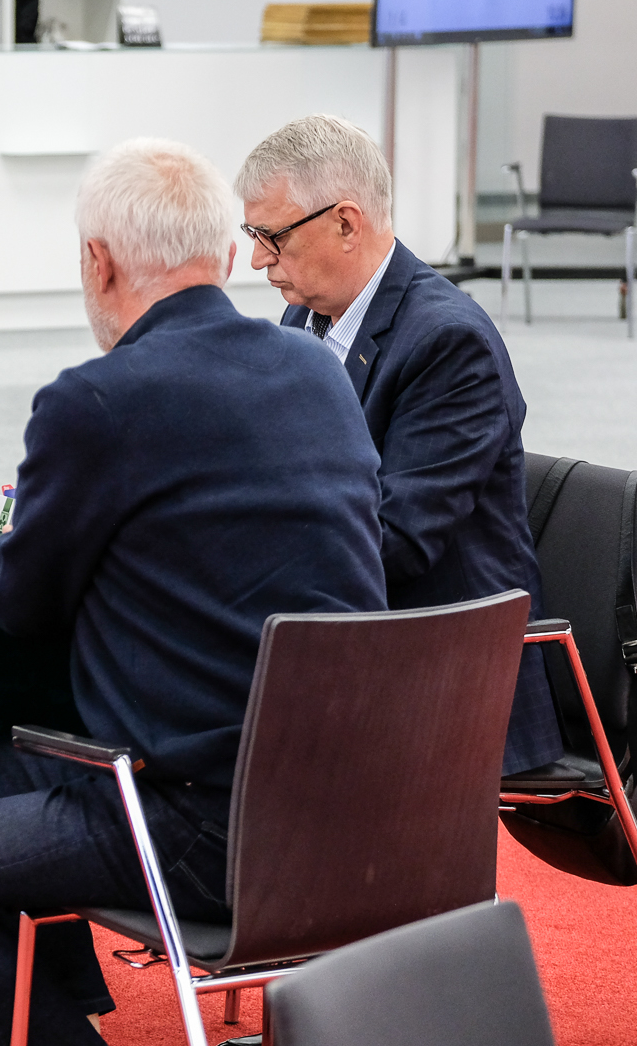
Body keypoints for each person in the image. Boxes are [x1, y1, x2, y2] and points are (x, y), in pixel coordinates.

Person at [0, 138, 387, 1046]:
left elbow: (23, 604)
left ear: (99, 263)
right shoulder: (318, 373)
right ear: (224, 255)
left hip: (197, 824)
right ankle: (63, 993)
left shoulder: (95, 401)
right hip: (361, 812)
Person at [234, 113, 562, 776]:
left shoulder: (448, 342)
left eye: (273, 237)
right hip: (349, 629)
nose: (258, 259)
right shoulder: (306, 314)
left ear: (346, 224)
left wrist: (234, 561)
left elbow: (393, 540)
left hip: (444, 665)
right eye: (253, 236)